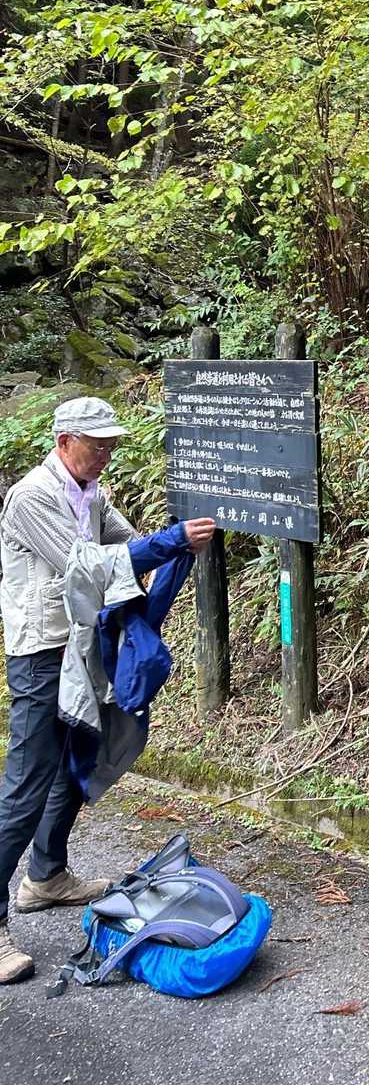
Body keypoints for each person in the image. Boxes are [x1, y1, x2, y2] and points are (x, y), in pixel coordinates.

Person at [0, 396, 215, 983]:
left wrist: (173, 545)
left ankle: (46, 876)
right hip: (42, 655)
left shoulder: (90, 493)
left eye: (111, 447)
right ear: (65, 442)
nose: (106, 456)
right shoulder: (31, 497)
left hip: (83, 649)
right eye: (97, 446)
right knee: (25, 787)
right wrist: (165, 543)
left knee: (77, 762)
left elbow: (129, 544)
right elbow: (87, 565)